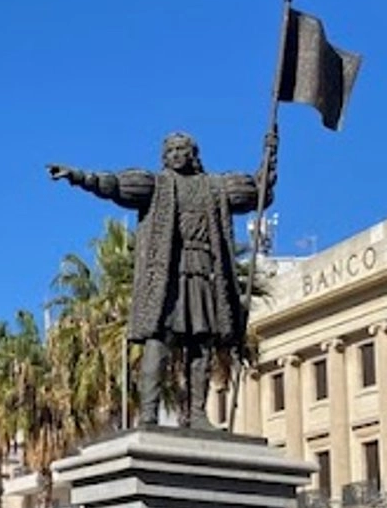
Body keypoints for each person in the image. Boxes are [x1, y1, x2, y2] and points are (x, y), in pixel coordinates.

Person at [48, 130, 276, 428]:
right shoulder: (155, 186)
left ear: (193, 153)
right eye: (169, 150)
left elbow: (256, 195)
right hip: (167, 274)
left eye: (181, 149)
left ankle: (196, 412)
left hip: (204, 272)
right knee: (159, 340)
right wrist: (79, 176)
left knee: (202, 343)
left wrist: (269, 163)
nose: (175, 155)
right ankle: (149, 412)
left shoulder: (215, 187)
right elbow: (115, 185)